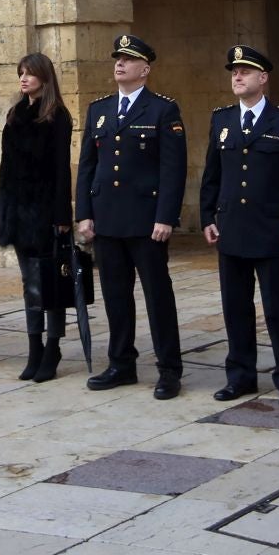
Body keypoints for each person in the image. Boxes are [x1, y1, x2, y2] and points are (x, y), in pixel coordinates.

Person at [77, 35, 187, 400]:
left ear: (145, 69)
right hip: (107, 218)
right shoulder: (100, 110)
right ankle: (121, 363)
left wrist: (165, 217)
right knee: (115, 296)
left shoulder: (162, 110)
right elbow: (87, 168)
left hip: (146, 220)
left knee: (158, 296)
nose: (119, 64)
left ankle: (169, 369)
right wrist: (84, 214)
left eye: (128, 59)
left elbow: (173, 169)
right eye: (117, 59)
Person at [201, 45, 279, 408]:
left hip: (272, 231)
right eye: (233, 71)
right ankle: (241, 375)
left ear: (263, 78)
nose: (237, 76)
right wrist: (207, 218)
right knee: (235, 307)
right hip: (231, 228)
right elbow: (212, 175)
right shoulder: (221, 120)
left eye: (245, 71)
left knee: (277, 308)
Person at [0, 53, 74, 383]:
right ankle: (34, 347)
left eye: (30, 73)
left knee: (50, 283)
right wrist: (0, 208)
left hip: (45, 212)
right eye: (21, 73)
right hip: (18, 210)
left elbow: (60, 170)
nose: (24, 78)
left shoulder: (57, 115)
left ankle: (53, 347)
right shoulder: (16, 115)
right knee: (30, 284)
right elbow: (7, 167)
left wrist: (61, 215)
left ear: (44, 76)